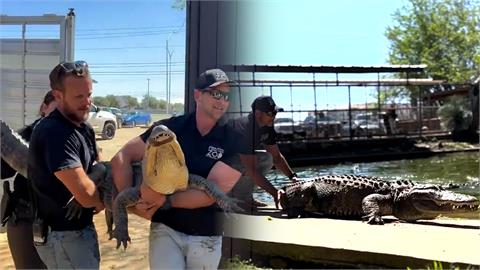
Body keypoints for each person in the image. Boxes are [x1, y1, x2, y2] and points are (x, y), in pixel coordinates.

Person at [111, 68, 242, 269]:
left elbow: (212, 191)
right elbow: (122, 156)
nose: (222, 100)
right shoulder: (170, 128)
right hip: (166, 229)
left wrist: (163, 200)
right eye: (216, 93)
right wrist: (133, 201)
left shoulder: (232, 138)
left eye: (226, 96)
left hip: (207, 235)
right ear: (198, 95)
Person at [28, 61, 104, 269]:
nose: (87, 102)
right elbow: (86, 195)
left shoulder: (83, 128)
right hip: (63, 238)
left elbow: (97, 165)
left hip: (77, 234)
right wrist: (101, 200)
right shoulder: (56, 132)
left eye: (89, 94)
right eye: (79, 97)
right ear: (58, 95)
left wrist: (98, 172)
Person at [0, 90, 56, 269]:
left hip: (60, 223)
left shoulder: (77, 138)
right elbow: (3, 171)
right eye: (56, 111)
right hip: (24, 220)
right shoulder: (25, 134)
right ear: (43, 108)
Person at [227, 96, 298, 212]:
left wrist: (292, 176)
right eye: (270, 113)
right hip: (217, 164)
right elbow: (251, 169)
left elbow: (276, 158)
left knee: (267, 158)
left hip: (235, 163)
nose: (274, 116)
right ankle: (232, 197)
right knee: (249, 163)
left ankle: (244, 198)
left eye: (275, 113)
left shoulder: (267, 127)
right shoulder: (244, 127)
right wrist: (275, 193)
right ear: (257, 114)